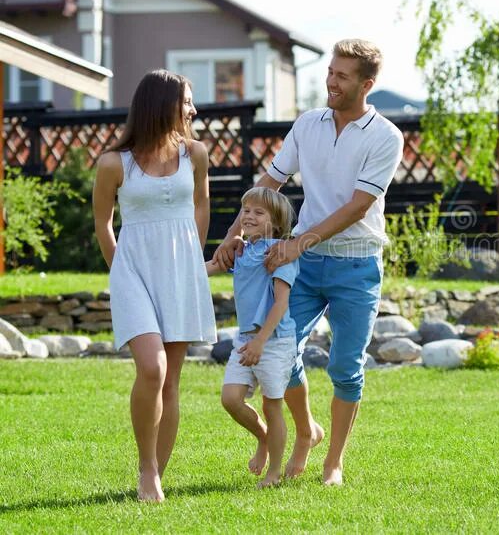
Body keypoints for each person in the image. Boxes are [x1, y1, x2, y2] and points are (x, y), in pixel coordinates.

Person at [213, 39, 404, 486]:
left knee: (345, 365)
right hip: (306, 260)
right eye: (331, 72)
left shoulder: (385, 136)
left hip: (356, 263)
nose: (330, 81)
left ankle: (333, 461)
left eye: (342, 76)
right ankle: (305, 432)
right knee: (283, 348)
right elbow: (270, 183)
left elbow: (359, 205)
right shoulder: (308, 124)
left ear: (366, 84)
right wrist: (232, 234)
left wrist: (298, 243)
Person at [93, 69, 217, 502]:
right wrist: (119, 269)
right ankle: (147, 469)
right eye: (186, 100)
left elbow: (201, 203)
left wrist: (193, 256)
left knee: (171, 380)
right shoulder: (114, 162)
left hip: (181, 270)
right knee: (152, 368)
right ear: (161, 103)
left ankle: (154, 478)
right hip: (133, 273)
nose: (192, 109)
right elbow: (103, 222)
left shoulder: (195, 153)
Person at [206, 187, 299, 488]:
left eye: (259, 212)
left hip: (273, 341)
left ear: (277, 221)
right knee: (231, 399)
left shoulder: (281, 254)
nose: (249, 216)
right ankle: (263, 437)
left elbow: (280, 303)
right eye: (246, 210)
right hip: (245, 339)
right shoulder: (241, 251)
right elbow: (206, 269)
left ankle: (274, 472)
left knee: (273, 407)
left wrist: (260, 342)